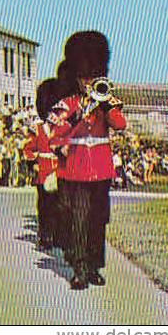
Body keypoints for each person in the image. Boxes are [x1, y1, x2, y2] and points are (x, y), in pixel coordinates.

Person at [48, 31, 126, 290]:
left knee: (98, 219)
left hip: (101, 169)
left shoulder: (106, 102)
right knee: (79, 220)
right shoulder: (68, 104)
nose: (88, 82)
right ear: (77, 78)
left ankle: (94, 266)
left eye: (93, 77)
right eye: (84, 78)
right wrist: (78, 116)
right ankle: (79, 268)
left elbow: (120, 125)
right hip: (77, 170)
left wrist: (106, 107)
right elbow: (55, 135)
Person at [30, 79, 62, 251]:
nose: (53, 115)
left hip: (58, 172)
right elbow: (28, 148)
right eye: (50, 111)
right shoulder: (38, 128)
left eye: (55, 111)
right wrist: (34, 162)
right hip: (43, 172)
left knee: (58, 205)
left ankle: (57, 235)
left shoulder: (62, 129)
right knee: (44, 206)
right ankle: (44, 236)